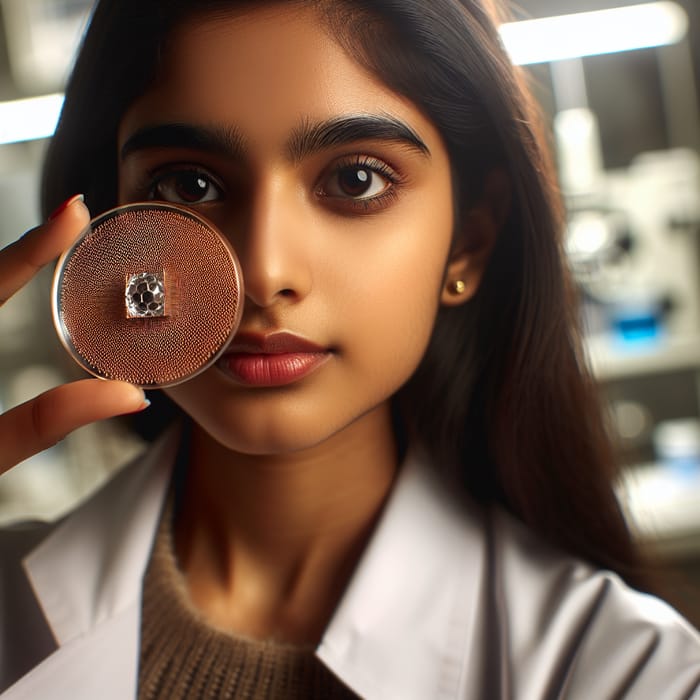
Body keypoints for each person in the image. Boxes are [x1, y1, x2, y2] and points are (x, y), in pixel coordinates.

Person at [1, 0, 699, 697]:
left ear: (470, 239)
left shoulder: (632, 673)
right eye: (189, 185)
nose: (265, 273)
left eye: (355, 179)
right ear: (105, 237)